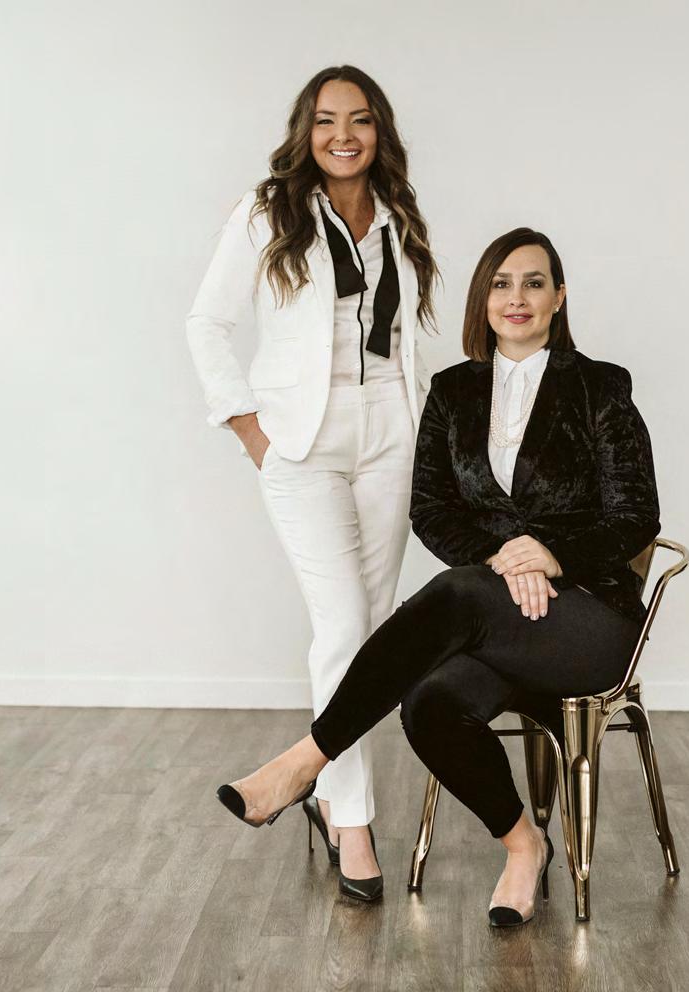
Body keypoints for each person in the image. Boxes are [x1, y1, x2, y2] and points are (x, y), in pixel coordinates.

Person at [216, 227, 659, 927]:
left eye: (534, 282)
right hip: (501, 616)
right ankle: (524, 846)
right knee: (428, 704)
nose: (517, 297)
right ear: (483, 299)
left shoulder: (600, 387)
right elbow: (432, 510)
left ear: (559, 297)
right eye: (501, 284)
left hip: (588, 621)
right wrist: (507, 557)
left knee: (457, 593)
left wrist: (551, 556)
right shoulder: (452, 393)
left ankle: (305, 762)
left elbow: (635, 515)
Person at [187, 65, 438, 902]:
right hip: (302, 439)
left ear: (379, 130)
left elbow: (404, 337)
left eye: (359, 119)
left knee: (370, 635)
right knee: (341, 627)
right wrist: (248, 430)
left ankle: (326, 790)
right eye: (327, 120)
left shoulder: (398, 214)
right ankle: (351, 820)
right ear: (306, 130)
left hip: (391, 433)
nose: (343, 135)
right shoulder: (268, 214)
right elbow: (207, 322)